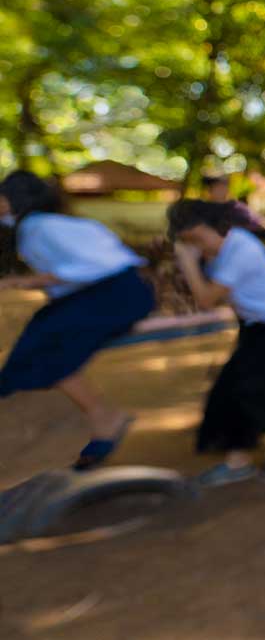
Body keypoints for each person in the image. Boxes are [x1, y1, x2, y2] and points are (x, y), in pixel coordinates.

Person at [167, 200, 265, 485]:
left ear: (214, 227)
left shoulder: (240, 250)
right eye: (187, 241)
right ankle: (237, 461)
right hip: (259, 328)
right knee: (227, 392)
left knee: (255, 390)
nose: (195, 246)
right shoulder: (219, 252)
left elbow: (206, 300)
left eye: (196, 239)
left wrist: (188, 262)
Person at [0, 171, 155, 469]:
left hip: (116, 293)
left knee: (44, 349)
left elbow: (93, 267)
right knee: (39, 344)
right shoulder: (37, 226)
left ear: (16, 199)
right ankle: (103, 417)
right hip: (113, 291)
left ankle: (105, 418)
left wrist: (19, 283)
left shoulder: (39, 227)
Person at [201, 174, 265, 232]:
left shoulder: (237, 208)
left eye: (223, 186)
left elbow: (258, 220)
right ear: (210, 190)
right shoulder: (203, 211)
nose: (221, 190)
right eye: (217, 187)